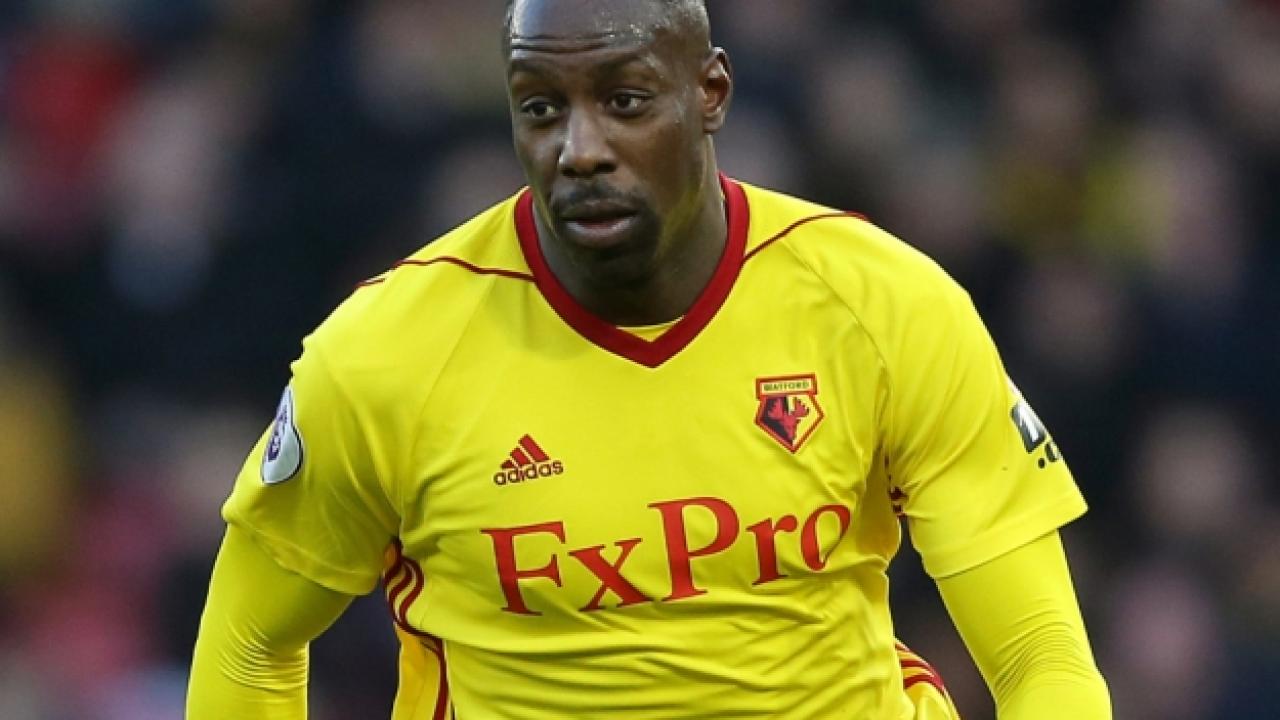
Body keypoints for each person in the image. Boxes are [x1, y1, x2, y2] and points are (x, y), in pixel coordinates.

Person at [187, 0, 1112, 717]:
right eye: (541, 109)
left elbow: (1042, 658)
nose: (579, 150)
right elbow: (248, 643)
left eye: (624, 101)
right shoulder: (387, 354)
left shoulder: (882, 305)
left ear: (710, 93)